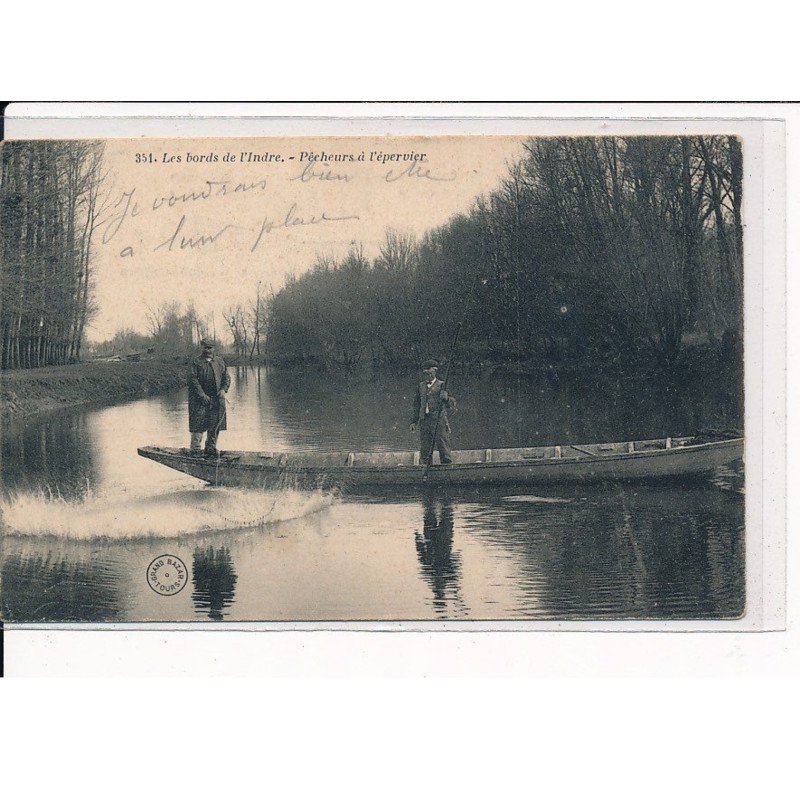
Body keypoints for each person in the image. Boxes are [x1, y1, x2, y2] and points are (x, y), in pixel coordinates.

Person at [188, 338, 231, 456]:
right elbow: (193, 380)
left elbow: (226, 378)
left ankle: (210, 448)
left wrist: (223, 390)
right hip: (199, 400)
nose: (207, 350)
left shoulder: (220, 361)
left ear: (214, 348)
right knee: (198, 424)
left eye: (210, 348)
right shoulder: (195, 362)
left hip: (216, 399)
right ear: (202, 348)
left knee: (215, 423)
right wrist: (202, 395)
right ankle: (195, 450)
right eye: (205, 347)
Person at [410, 359, 456, 465]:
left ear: (435, 370)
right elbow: (416, 405)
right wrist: (414, 421)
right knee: (425, 449)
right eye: (424, 371)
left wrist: (447, 398)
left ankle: (446, 468)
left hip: (439, 421)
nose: (426, 373)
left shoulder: (442, 385)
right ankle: (425, 469)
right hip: (424, 421)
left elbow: (453, 404)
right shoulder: (420, 386)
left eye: (428, 370)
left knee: (443, 446)